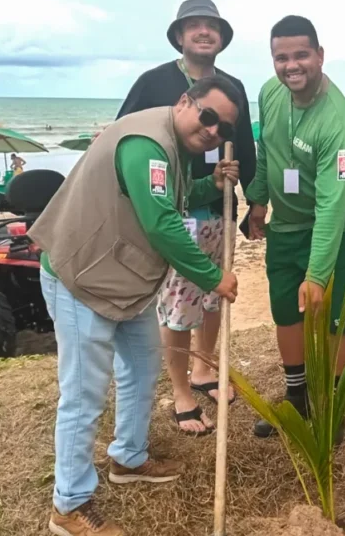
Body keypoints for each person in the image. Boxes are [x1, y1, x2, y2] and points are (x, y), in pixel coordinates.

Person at [28, 76, 241, 536]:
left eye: (223, 130)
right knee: (84, 393)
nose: (213, 132)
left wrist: (212, 183)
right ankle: (69, 505)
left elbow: (173, 198)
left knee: (143, 367)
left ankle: (128, 456)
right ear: (185, 102)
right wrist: (213, 278)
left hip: (124, 283)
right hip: (81, 277)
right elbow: (163, 224)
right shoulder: (146, 143)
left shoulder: (174, 149)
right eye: (208, 118)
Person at [117, 0, 256, 435]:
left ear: (221, 38)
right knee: (178, 303)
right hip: (173, 212)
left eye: (211, 26)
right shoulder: (154, 82)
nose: (203, 32)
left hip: (219, 208)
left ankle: (203, 369)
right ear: (179, 36)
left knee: (215, 296)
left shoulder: (232, 87)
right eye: (193, 25)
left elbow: (246, 145)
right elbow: (125, 137)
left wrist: (254, 200)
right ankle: (180, 390)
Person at [246, 16, 345, 442]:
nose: (291, 65)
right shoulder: (269, 92)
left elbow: (333, 205)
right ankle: (297, 398)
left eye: (301, 55)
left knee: (337, 320)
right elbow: (267, 149)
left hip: (340, 226)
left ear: (320, 55)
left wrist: (318, 274)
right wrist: (258, 198)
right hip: (288, 223)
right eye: (282, 57)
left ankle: (332, 408)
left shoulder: (337, 121)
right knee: (286, 310)